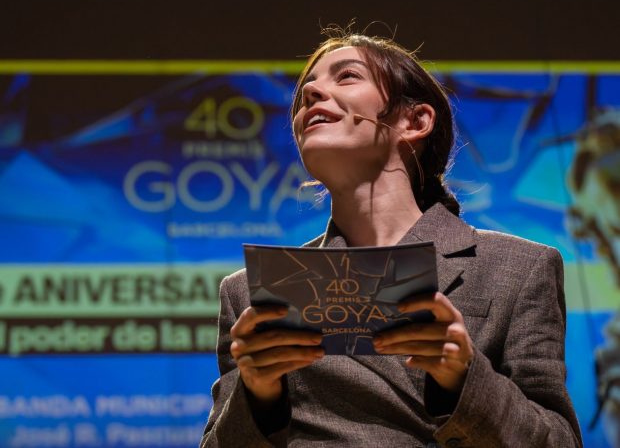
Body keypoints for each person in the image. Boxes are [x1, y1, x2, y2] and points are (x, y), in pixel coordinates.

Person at [200, 31, 583, 447]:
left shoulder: (518, 269)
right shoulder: (249, 295)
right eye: (306, 89)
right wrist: (258, 395)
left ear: (415, 121)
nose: (310, 91)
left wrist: (466, 376)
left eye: (347, 76)